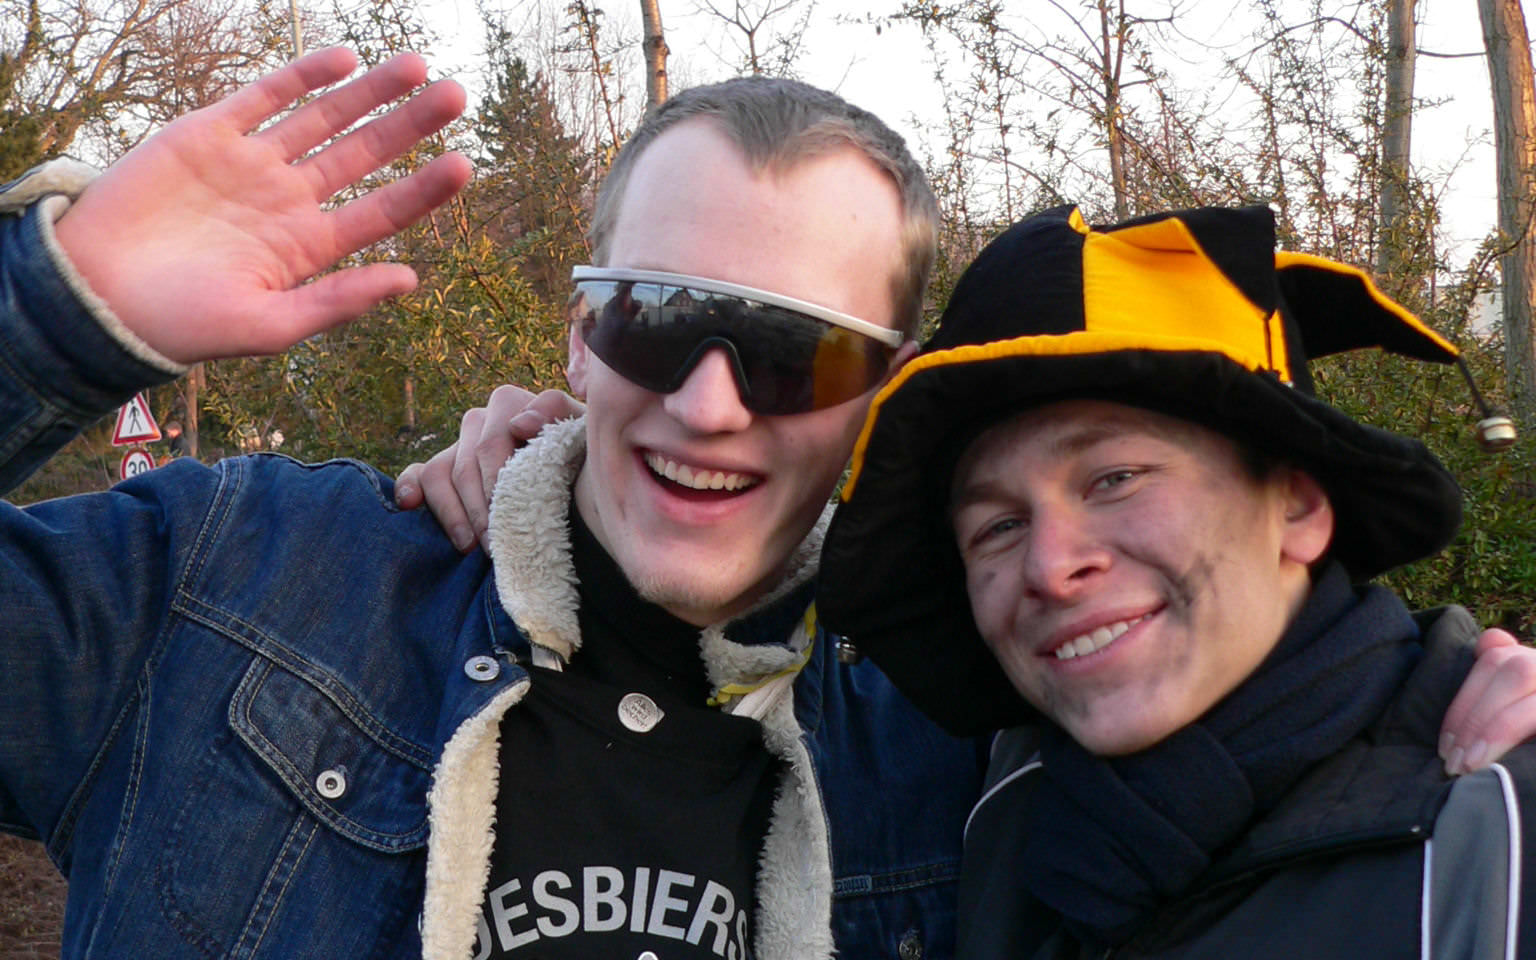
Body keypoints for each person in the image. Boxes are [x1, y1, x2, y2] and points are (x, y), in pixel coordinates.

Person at [2, 50, 1531, 960]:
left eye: (798, 352)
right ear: (578, 340)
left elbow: (1277, 714)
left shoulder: (963, 738)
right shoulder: (231, 583)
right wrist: (55, 319)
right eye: (661, 320)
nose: (713, 404)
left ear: (886, 401)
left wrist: (1464, 696)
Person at [815, 203, 1536, 957]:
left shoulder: (1495, 837)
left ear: (1297, 506)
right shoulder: (1005, 813)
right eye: (997, 526)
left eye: (1115, 479)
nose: (1051, 568)